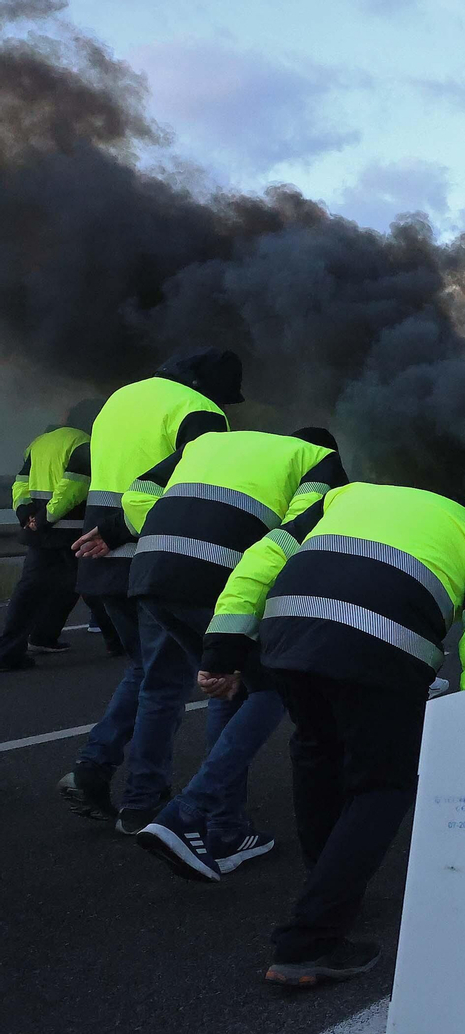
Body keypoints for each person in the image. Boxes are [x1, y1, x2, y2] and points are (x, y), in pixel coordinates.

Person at [199, 480, 465, 985]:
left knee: (316, 752)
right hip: (383, 646)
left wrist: (223, 646)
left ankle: (326, 885)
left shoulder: (346, 495)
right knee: (382, 785)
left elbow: (261, 559)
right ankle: (311, 941)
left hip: (289, 631)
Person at [118, 427, 347, 880]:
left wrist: (172, 542)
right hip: (224, 576)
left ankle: (226, 830)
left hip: (151, 571)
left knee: (230, 685)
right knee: (272, 688)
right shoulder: (322, 461)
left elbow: (136, 495)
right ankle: (188, 812)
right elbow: (299, 537)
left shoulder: (206, 443)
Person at [59, 349, 242, 831]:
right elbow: (197, 488)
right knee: (165, 684)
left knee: (145, 672)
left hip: (102, 557)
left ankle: (92, 769)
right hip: (156, 559)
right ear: (210, 387)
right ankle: (142, 801)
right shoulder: (199, 411)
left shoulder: (120, 398)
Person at [1, 417, 92, 670]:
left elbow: (21, 483)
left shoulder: (38, 443)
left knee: (32, 589)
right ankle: (122, 643)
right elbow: (73, 488)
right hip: (70, 532)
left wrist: (26, 515)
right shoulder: (82, 442)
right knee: (92, 585)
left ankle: (13, 649)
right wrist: (44, 519)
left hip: (41, 533)